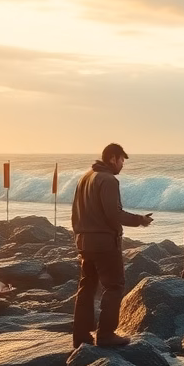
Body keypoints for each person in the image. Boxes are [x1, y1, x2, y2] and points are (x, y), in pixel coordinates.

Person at [70, 143, 153, 347]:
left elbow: (74, 212)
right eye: (121, 160)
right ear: (113, 158)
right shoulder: (108, 180)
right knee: (114, 286)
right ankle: (106, 335)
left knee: (87, 287)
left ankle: (80, 335)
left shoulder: (85, 177)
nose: (122, 164)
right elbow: (113, 214)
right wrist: (140, 219)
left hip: (84, 242)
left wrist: (79, 235)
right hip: (105, 244)